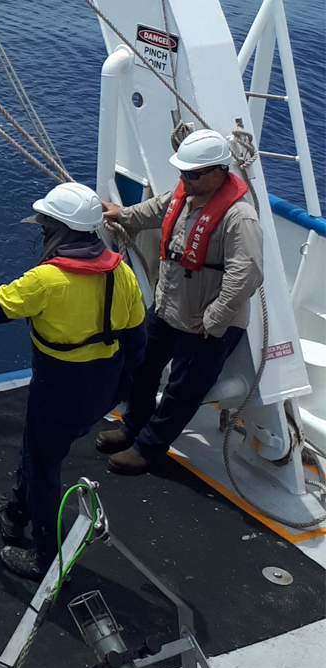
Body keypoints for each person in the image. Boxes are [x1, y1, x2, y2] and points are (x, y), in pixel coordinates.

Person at [0, 182, 146, 580]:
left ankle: (47, 557)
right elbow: (136, 338)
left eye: (47, 225)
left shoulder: (46, 281)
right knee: (37, 451)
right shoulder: (121, 272)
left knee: (45, 468)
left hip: (59, 389)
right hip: (102, 387)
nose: (43, 231)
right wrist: (125, 390)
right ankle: (14, 513)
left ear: (60, 229)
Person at [98, 128, 262, 475]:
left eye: (192, 173)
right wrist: (121, 215)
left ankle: (148, 448)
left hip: (206, 323)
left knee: (182, 390)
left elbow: (245, 274)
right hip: (170, 306)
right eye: (182, 172)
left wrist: (215, 317)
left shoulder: (239, 217)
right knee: (140, 365)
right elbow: (156, 210)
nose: (184, 178)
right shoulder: (185, 194)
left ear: (217, 173)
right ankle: (133, 426)